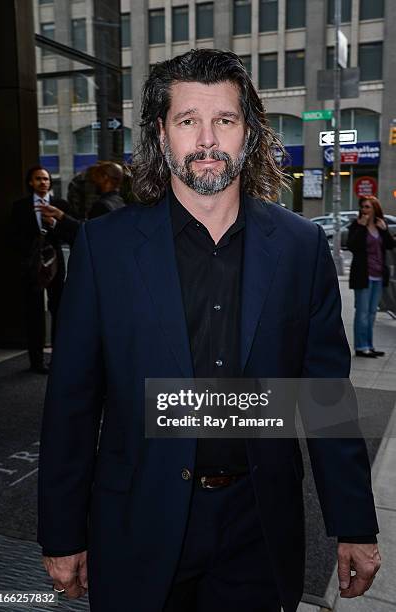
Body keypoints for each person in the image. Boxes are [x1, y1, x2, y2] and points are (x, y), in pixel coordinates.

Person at [38, 50, 380, 612]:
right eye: (187, 120)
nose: (207, 139)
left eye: (224, 119)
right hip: (137, 520)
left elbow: (325, 399)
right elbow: (72, 403)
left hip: (258, 526)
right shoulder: (108, 249)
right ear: (162, 133)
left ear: (249, 130)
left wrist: (354, 523)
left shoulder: (299, 249)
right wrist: (62, 533)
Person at [11, 166, 67, 374]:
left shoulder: (60, 205)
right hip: (32, 267)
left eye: (46, 179)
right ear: (30, 183)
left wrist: (53, 224)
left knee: (58, 311)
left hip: (54, 266)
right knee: (34, 314)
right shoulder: (20, 207)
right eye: (38, 179)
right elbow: (13, 236)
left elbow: (70, 233)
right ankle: (36, 362)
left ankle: (58, 359)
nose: (43, 182)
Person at [347, 196, 395, 358]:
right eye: (363, 207)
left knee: (372, 313)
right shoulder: (357, 225)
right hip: (363, 276)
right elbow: (352, 246)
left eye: (368, 207)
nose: (365, 210)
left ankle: (369, 345)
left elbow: (390, 246)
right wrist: (360, 228)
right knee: (362, 313)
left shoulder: (380, 225)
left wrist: (384, 230)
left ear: (375, 208)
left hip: (378, 276)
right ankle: (361, 347)